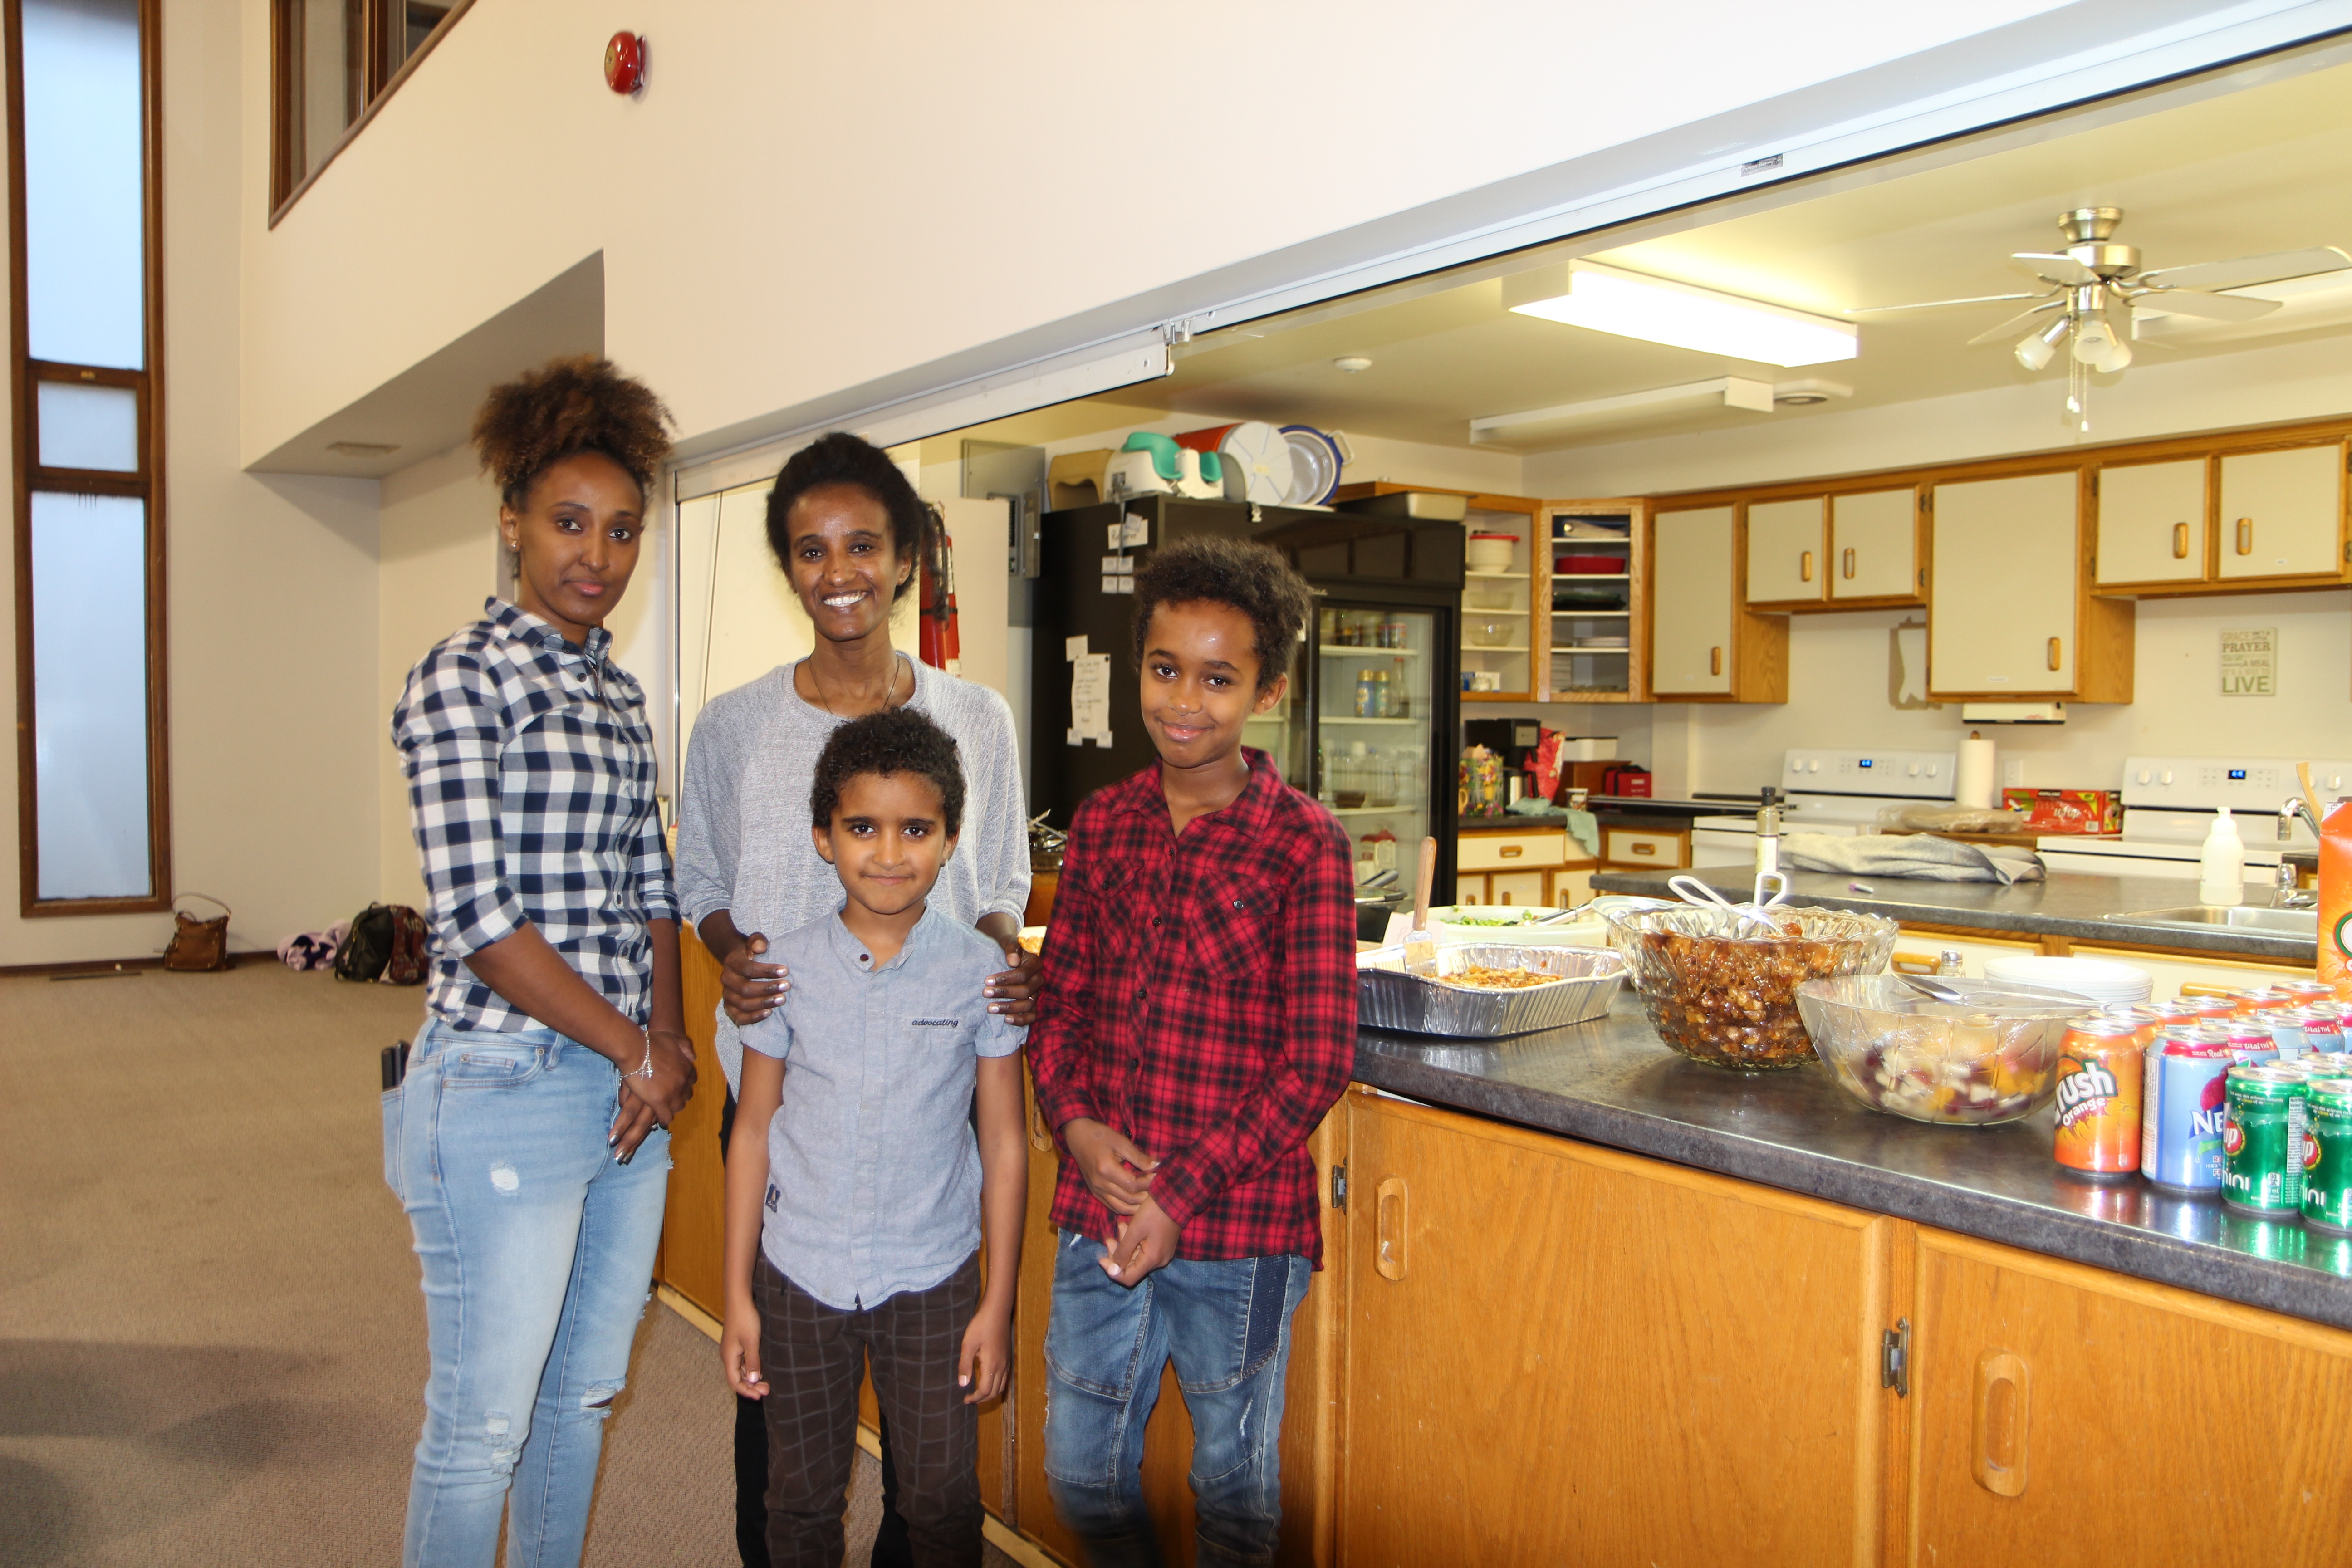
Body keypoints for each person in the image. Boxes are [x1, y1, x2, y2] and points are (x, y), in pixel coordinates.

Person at [674, 430, 1038, 1567]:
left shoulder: (978, 717)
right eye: (810, 549)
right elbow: (699, 883)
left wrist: (998, 960)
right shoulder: (736, 726)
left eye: (863, 546)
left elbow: (1000, 888)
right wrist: (733, 952)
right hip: (789, 1098)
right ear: (789, 567)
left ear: (908, 559)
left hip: (933, 1090)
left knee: (932, 1460)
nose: (839, 571)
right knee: (788, 1425)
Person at [386, 356, 696, 1568]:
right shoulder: (464, 679)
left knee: (580, 1401)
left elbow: (654, 886)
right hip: (505, 1086)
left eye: (623, 530)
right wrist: (635, 1046)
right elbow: (480, 917)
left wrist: (662, 1051)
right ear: (511, 520)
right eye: (570, 522)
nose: (598, 554)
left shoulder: (617, 694)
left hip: (629, 1096)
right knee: (482, 1428)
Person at [1026, 536, 1355, 1567]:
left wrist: (1179, 1195)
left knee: (1234, 1488)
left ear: (1269, 691)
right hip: (1098, 1211)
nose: (1186, 701)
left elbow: (1316, 1061)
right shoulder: (1104, 824)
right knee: (1079, 1472)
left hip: (1240, 1229)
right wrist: (1073, 1122)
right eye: (1166, 670)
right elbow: (1062, 1006)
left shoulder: (1305, 842)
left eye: (1220, 679)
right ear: (1140, 671)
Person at [719, 708, 1027, 1567]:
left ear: (952, 838)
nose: (889, 853)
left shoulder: (983, 974)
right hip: (800, 1277)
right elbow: (753, 1134)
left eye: (916, 829)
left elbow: (1003, 1146)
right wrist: (736, 1293)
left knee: (938, 1502)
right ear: (824, 837)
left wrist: (996, 1304)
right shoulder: (779, 969)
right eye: (862, 827)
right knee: (800, 1504)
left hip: (931, 1278)